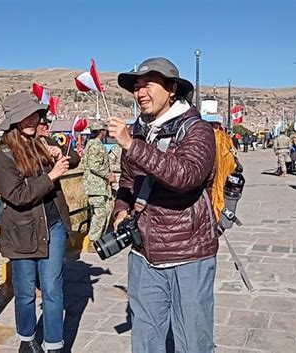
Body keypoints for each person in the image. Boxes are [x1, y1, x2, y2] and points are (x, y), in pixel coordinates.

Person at [108, 57, 218, 353]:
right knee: (145, 339)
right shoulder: (139, 131)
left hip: (189, 253)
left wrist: (132, 146)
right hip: (144, 254)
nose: (140, 91)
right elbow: (127, 183)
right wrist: (120, 210)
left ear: (171, 88)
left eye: (148, 84)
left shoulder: (197, 130)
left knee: (192, 341)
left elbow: (186, 175)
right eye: (136, 86)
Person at [0, 92, 74, 353]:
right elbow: (17, 195)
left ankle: (54, 344)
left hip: (54, 226)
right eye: (25, 115)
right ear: (13, 121)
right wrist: (51, 176)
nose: (32, 119)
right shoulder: (2, 157)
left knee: (52, 288)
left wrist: (62, 155)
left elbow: (72, 161)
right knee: (25, 292)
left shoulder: (42, 143)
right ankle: (26, 339)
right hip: (22, 232)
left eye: (35, 114)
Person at [82, 121, 115, 245]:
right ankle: (93, 241)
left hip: (101, 187)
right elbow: (93, 166)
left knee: (105, 212)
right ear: (102, 131)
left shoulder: (97, 144)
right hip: (96, 187)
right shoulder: (94, 145)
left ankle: (98, 239)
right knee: (100, 214)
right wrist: (108, 175)